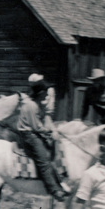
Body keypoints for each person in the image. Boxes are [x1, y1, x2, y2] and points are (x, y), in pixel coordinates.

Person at [16, 74, 69, 202]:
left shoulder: (35, 104)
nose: (47, 96)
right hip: (29, 135)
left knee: (51, 151)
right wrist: (49, 132)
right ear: (40, 93)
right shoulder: (31, 105)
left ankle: (59, 181)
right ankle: (54, 190)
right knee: (44, 160)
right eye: (45, 93)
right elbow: (36, 127)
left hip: (32, 132)